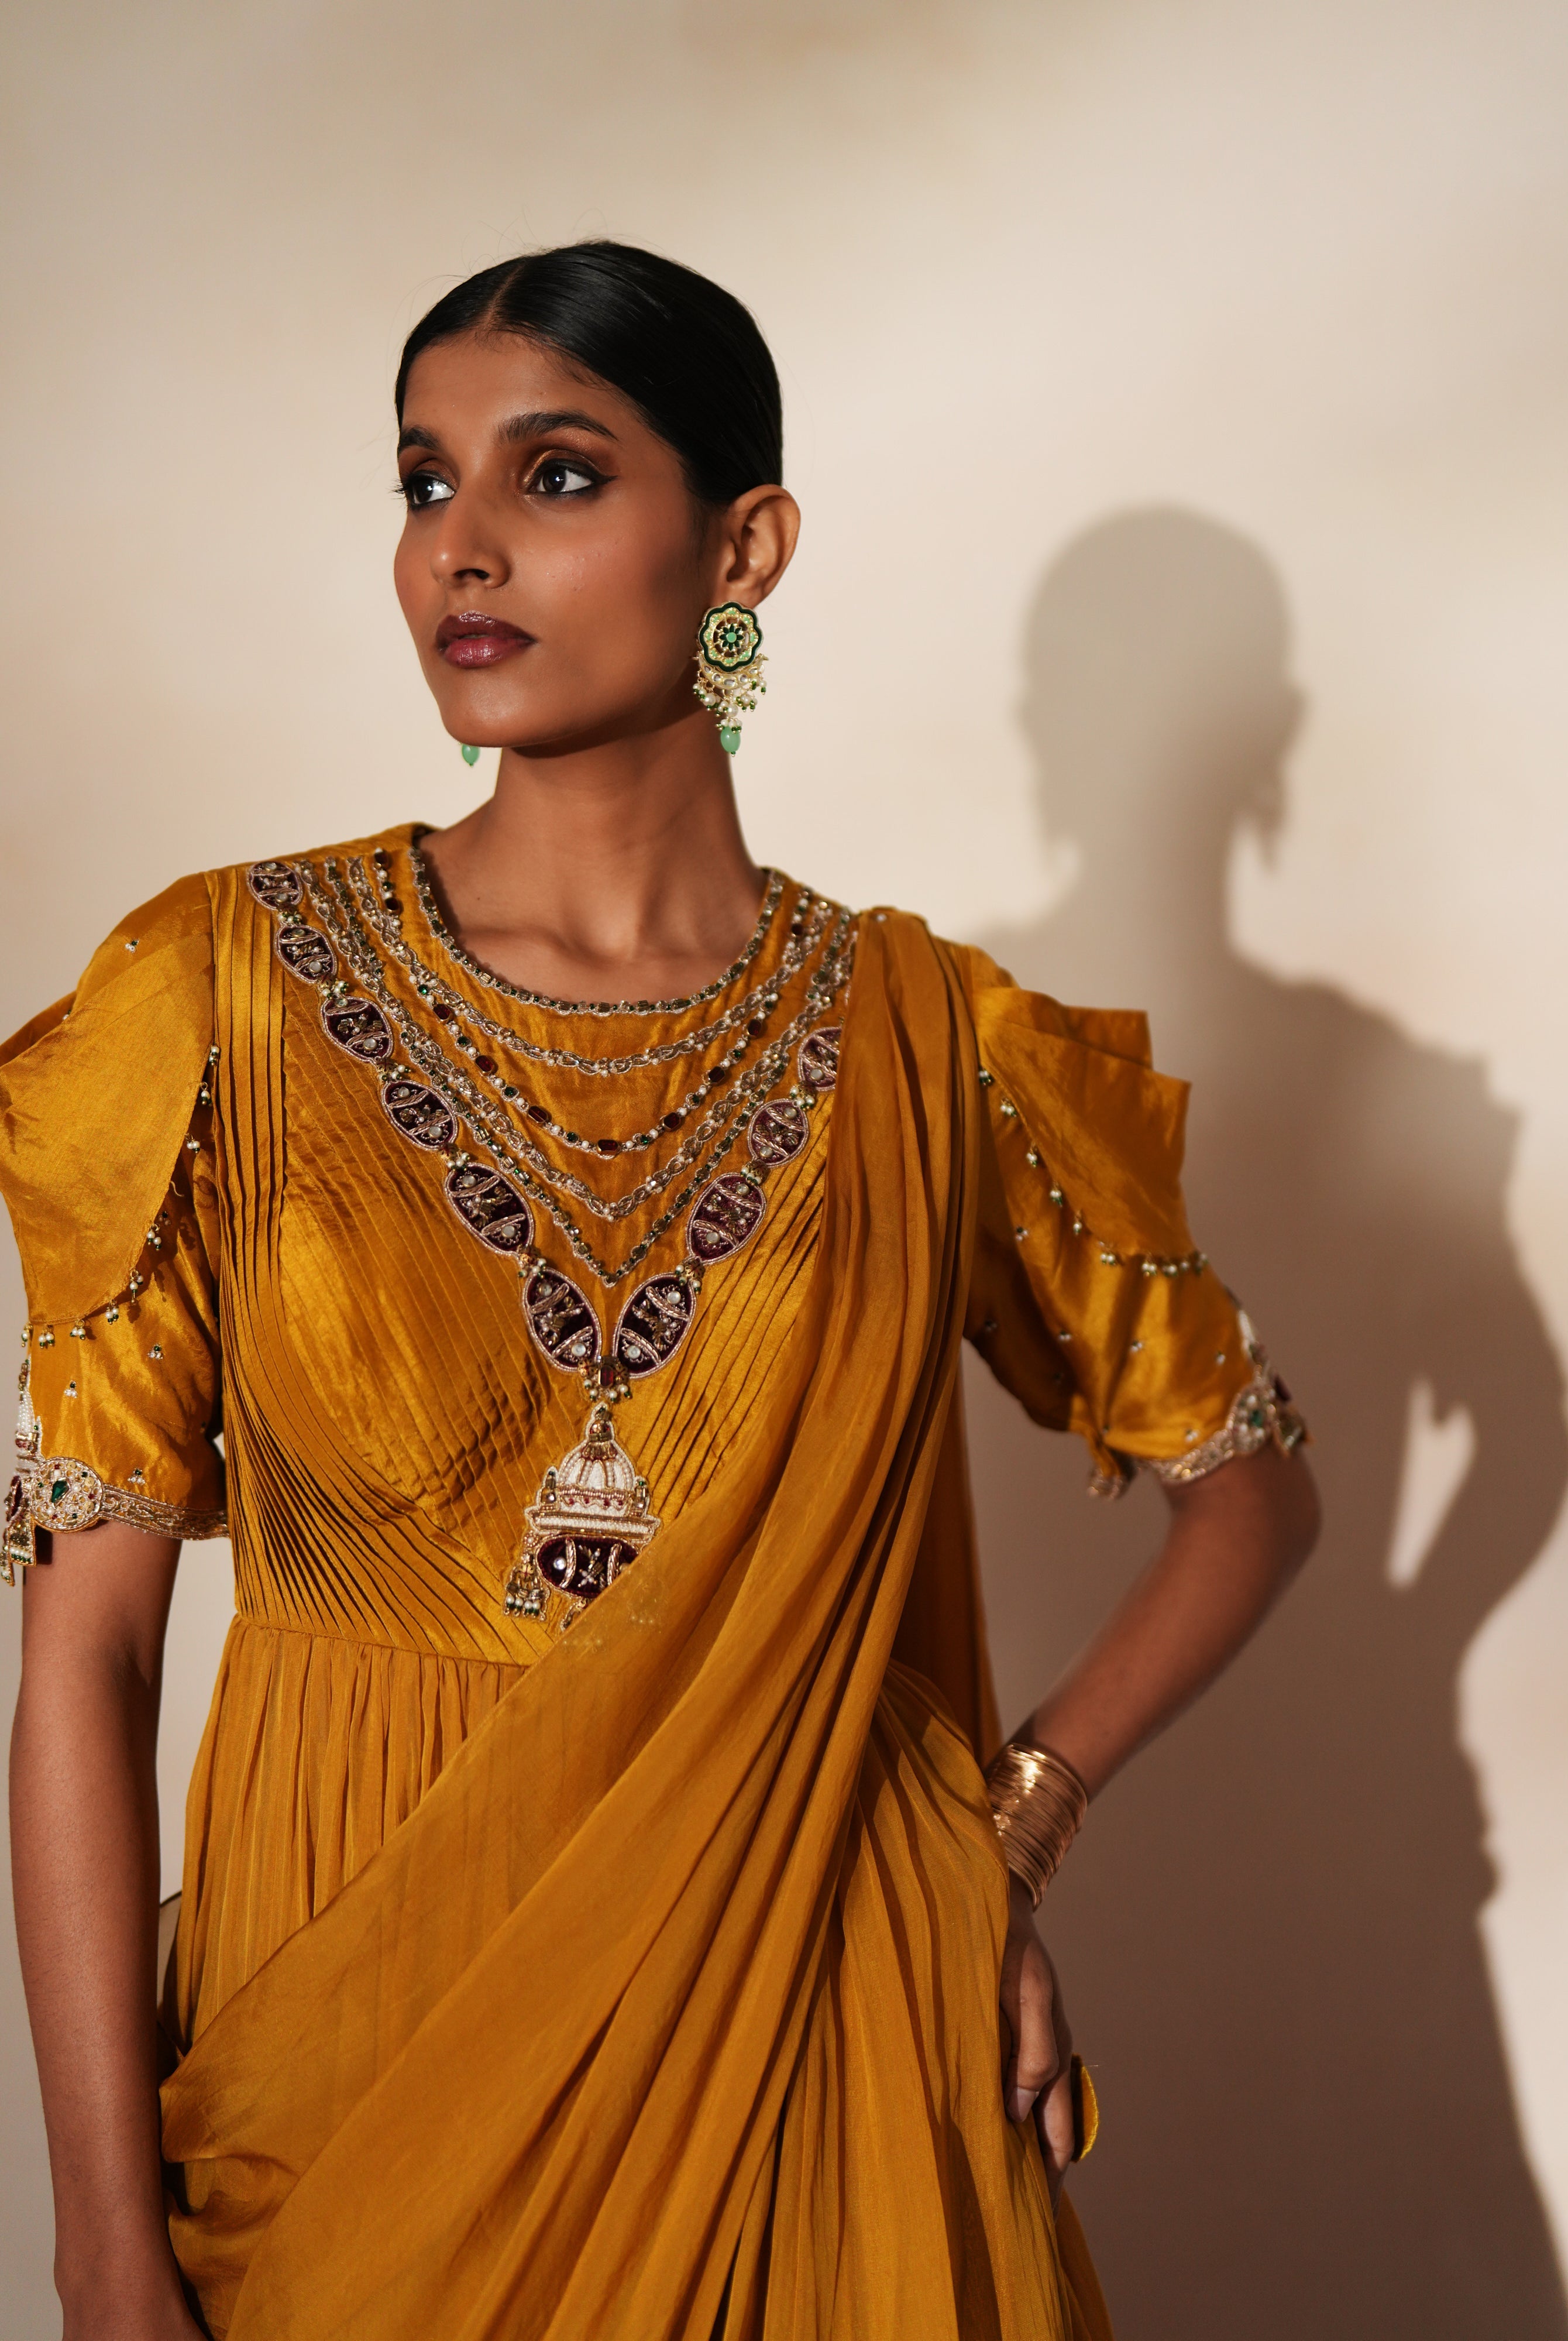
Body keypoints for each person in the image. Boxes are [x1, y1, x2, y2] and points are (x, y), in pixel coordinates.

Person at [2, 243, 1319, 2341]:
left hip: (815, 2011)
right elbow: (82, 1659)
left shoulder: (927, 1039)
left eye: (555, 475)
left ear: (746, 543)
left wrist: (1011, 1831)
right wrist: (94, 2237)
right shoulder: (218, 999)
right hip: (344, 2055)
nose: (465, 549)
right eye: (424, 484)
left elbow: (1246, 1481)